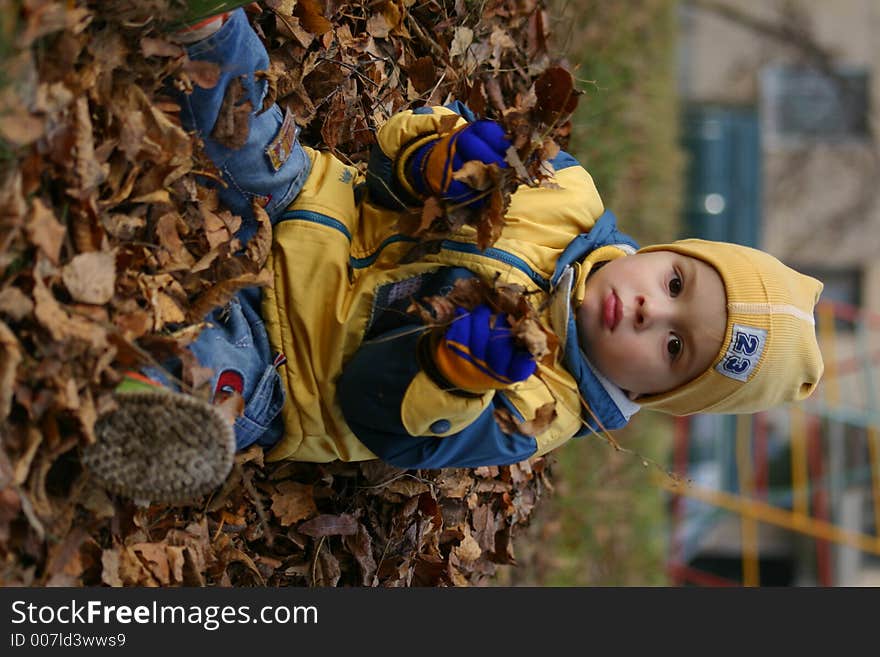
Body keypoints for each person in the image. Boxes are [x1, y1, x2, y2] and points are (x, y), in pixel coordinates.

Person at [83, 9, 825, 503]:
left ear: (661, 394)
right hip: (309, 204)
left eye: (672, 343)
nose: (646, 307)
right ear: (668, 252)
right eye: (673, 283)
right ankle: (203, 25)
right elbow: (387, 158)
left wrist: (448, 372)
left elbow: (374, 413)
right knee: (254, 132)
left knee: (223, 376)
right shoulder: (566, 191)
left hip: (292, 359)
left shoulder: (539, 408)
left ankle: (144, 412)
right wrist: (433, 160)